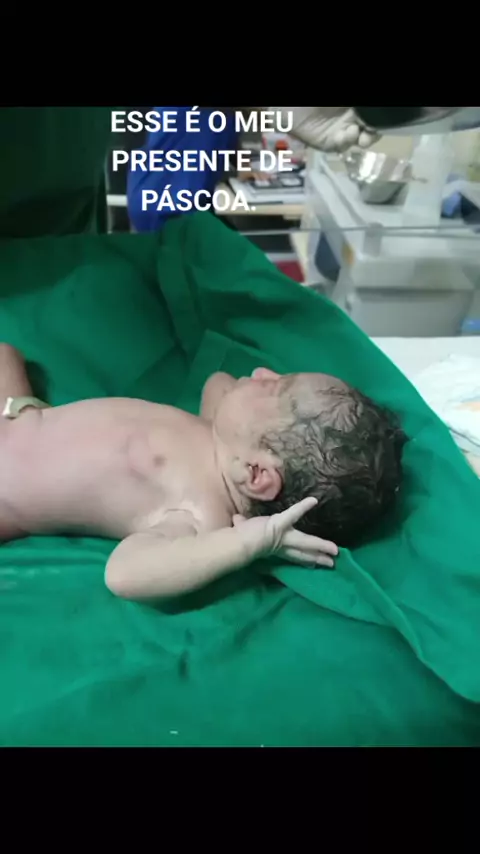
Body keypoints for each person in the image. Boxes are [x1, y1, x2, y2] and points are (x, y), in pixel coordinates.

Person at [0, 344, 406, 602]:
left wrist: (245, 544)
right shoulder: (219, 440)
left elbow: (124, 575)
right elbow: (218, 382)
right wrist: (242, 405)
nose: (262, 372)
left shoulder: (200, 515)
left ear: (257, 475)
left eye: (273, 387)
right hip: (22, 419)